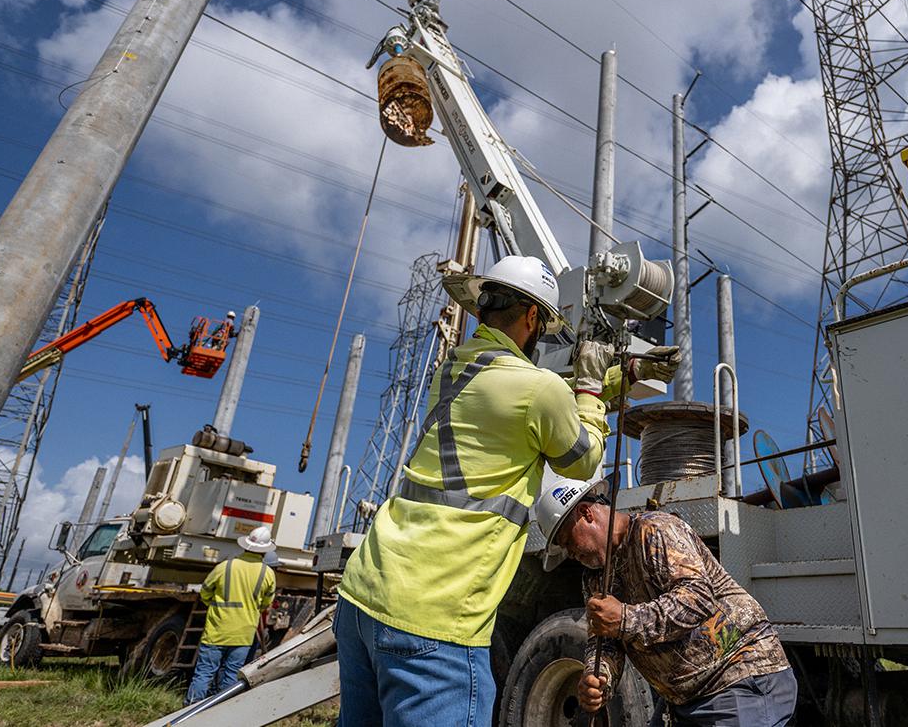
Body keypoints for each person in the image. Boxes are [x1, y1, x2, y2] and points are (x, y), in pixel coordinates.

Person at [335, 255, 680, 726]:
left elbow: (536, 399)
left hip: (364, 596)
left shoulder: (453, 373)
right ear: (534, 317)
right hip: (436, 616)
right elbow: (581, 458)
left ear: (483, 307)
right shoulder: (536, 391)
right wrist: (593, 386)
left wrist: (626, 376)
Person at [537, 478, 797, 727]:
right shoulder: (594, 579)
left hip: (738, 678)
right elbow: (605, 641)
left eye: (568, 542)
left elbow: (697, 599)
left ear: (586, 513)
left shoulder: (657, 530)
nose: (570, 553)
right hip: (684, 700)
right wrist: (598, 678)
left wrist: (626, 619)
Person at [185, 526, 277, 705]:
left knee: (204, 672)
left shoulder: (225, 566)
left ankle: (190, 712)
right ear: (265, 552)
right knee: (231, 675)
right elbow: (265, 604)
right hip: (243, 635)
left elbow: (205, 592)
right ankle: (221, 713)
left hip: (217, 630)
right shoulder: (268, 574)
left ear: (245, 546)